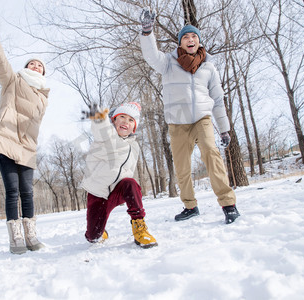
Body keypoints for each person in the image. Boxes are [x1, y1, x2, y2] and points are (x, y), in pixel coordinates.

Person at [138, 8, 240, 224]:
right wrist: (147, 32)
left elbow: (218, 99)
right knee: (182, 167)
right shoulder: (168, 63)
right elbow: (150, 56)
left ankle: (228, 204)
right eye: (185, 37)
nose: (190, 39)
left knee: (211, 154)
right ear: (180, 43)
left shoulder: (209, 68)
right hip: (177, 123)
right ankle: (190, 206)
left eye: (194, 36)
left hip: (202, 119)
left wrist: (224, 128)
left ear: (199, 41)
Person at [0, 6, 49, 254]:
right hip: (5, 140)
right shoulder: (12, 80)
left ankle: (31, 235)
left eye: (39, 65)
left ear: (43, 72)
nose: (36, 66)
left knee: (27, 192)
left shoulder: (44, 96)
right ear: (26, 67)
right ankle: (15, 238)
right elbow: (0, 62)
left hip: (27, 146)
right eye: (32, 63)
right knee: (12, 190)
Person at [81, 102, 158, 249]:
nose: (125, 122)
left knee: (131, 183)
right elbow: (100, 126)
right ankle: (99, 231)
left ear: (134, 127)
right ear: (114, 120)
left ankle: (139, 228)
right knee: (93, 237)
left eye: (131, 120)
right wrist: (97, 112)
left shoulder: (134, 147)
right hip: (98, 193)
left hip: (118, 190)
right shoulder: (107, 136)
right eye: (122, 117)